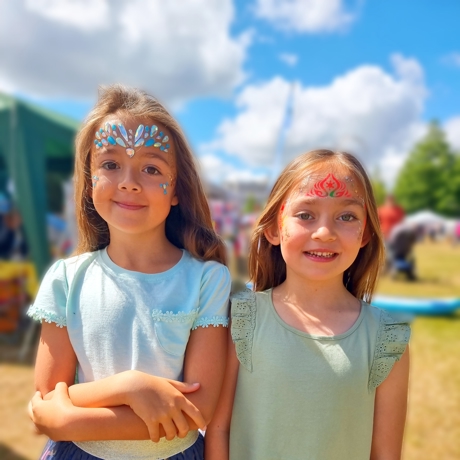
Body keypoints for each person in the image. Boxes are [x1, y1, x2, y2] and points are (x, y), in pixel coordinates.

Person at [27, 85, 231, 460]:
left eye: (152, 168)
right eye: (110, 164)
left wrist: (69, 420)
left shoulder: (206, 281)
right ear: (89, 182)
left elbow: (195, 410)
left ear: (177, 190)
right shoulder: (65, 279)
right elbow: (47, 400)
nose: (128, 182)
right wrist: (129, 387)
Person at [205, 150, 411, 460]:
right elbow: (218, 430)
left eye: (347, 216)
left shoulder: (386, 340)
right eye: (305, 215)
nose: (325, 233)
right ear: (274, 229)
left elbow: (385, 453)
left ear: (366, 233)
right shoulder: (242, 319)